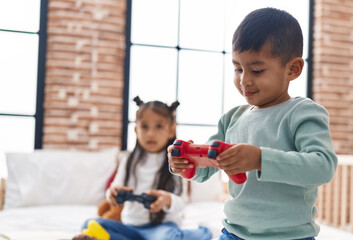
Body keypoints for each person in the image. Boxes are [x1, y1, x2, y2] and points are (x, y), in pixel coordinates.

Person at [168, 8, 337, 240]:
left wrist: (260, 159)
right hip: (234, 231)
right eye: (238, 68)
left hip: (289, 235)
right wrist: (187, 163)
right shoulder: (232, 118)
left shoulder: (302, 113)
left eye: (257, 70)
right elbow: (207, 168)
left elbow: (322, 166)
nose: (244, 80)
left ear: (293, 69)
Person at [73, 96, 212, 240]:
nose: (150, 133)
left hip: (162, 229)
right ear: (135, 130)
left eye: (159, 126)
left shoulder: (177, 161)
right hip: (130, 227)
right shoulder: (127, 160)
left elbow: (182, 202)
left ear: (172, 130)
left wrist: (167, 200)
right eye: (144, 127)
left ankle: (205, 232)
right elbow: (114, 188)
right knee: (89, 224)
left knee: (169, 238)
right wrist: (111, 194)